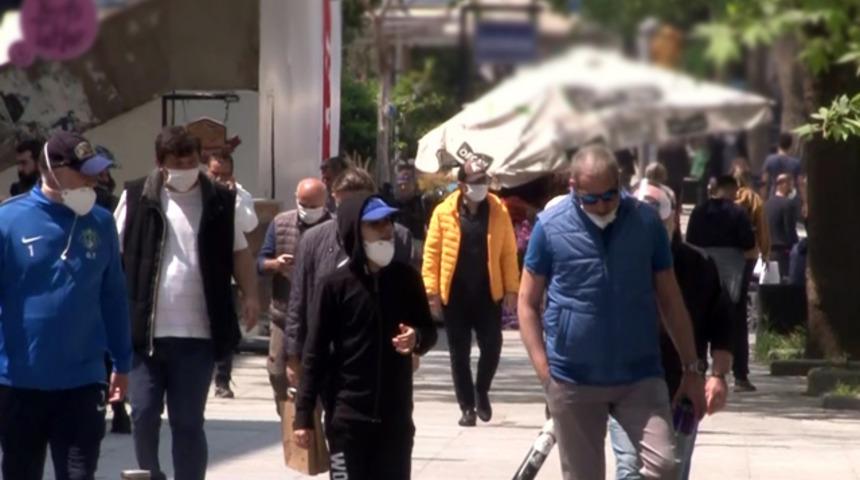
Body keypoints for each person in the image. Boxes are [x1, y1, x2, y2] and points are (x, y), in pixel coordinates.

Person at [518, 145, 704, 480]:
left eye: (609, 195)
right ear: (573, 187)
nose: (602, 206)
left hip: (639, 375)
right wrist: (547, 376)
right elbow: (527, 303)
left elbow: (670, 298)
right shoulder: (549, 227)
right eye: (591, 199)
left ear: (619, 184)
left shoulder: (646, 223)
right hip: (574, 378)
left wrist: (692, 368)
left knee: (664, 466)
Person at [115, 126, 260, 480]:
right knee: (144, 414)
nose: (186, 167)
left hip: (198, 334)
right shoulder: (136, 197)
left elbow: (241, 253)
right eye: (176, 161)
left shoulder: (219, 202)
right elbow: (114, 255)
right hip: (146, 333)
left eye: (191, 160)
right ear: (160, 163)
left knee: (188, 421)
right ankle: (149, 474)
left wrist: (251, 294)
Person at [0, 131, 132, 479]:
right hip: (19, 383)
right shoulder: (8, 221)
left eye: (96, 171)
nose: (94, 179)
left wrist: (123, 361)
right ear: (53, 170)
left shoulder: (102, 223)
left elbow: (113, 296)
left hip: (82, 382)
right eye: (84, 171)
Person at [292, 194, 437, 479]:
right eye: (376, 224)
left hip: (395, 420)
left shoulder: (407, 279)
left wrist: (416, 338)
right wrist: (303, 415)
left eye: (388, 222)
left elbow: (429, 332)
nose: (386, 229)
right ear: (354, 231)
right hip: (346, 420)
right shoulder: (334, 285)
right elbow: (315, 353)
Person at [610, 184, 734, 480]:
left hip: (681, 388)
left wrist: (718, 375)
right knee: (630, 467)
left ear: (675, 218)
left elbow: (723, 325)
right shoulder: (615, 262)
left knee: (672, 469)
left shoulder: (700, 265)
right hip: (626, 385)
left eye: (658, 221)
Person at [284, 168, 413, 390]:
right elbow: (299, 298)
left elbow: (409, 295)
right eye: (345, 205)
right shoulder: (313, 240)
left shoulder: (398, 237)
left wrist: (414, 340)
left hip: (378, 348)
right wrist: (294, 354)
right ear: (334, 200)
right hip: (327, 348)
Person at [423, 159, 520, 427]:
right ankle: (466, 407)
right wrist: (431, 291)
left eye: (484, 181)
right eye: (476, 182)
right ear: (462, 185)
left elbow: (508, 252)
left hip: (488, 292)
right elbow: (432, 254)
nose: (482, 187)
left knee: (492, 344)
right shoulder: (444, 212)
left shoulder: (498, 210)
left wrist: (512, 287)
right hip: (455, 294)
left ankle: (481, 390)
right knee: (459, 352)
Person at [257, 177, 330, 415]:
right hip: (283, 313)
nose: (308, 211)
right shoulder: (280, 223)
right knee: (278, 371)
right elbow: (260, 262)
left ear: (325, 202)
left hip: (321, 315)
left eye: (313, 206)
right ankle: (287, 414)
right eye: (303, 204)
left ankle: (313, 416)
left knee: (317, 371)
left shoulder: (334, 227)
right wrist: (275, 264)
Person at [686, 175, 756, 393]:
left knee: (698, 322)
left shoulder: (698, 212)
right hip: (732, 272)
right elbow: (748, 243)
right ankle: (740, 374)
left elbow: (690, 241)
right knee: (735, 322)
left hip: (702, 269)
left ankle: (698, 369)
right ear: (729, 189)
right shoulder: (738, 213)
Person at [205, 149, 260, 399]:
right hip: (202, 269)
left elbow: (249, 225)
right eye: (214, 173)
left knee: (226, 323)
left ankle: (223, 379)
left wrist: (233, 197)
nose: (218, 179)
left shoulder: (240, 196)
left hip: (226, 269)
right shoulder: (197, 194)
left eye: (224, 174)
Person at [765, 174, 801, 279]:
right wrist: (796, 246)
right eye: (790, 184)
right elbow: (789, 230)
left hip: (768, 252)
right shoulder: (787, 204)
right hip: (782, 253)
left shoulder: (766, 204)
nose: (791, 187)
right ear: (783, 184)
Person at [761, 132, 804, 201]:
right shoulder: (796, 163)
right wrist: (804, 201)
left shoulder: (769, 160)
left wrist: (763, 199)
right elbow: (800, 183)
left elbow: (764, 181)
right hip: (791, 198)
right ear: (790, 145)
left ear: (778, 144)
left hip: (774, 197)